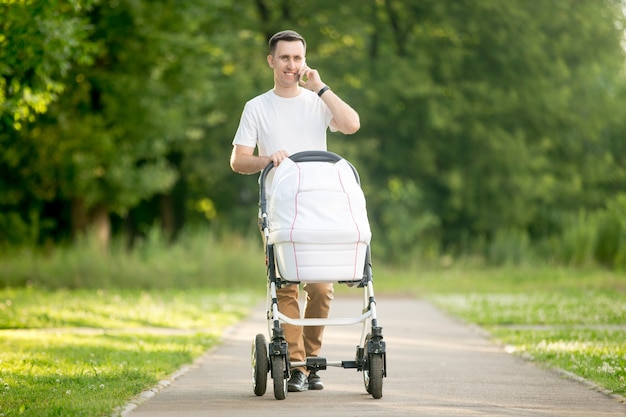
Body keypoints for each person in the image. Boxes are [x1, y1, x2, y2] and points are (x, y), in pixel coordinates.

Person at [230, 29, 360, 392]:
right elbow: (238, 160)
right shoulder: (256, 107)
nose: (291, 65)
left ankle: (312, 360)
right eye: (284, 58)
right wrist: (266, 159)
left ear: (305, 62)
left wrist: (321, 87)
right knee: (286, 286)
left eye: (297, 58)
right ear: (271, 61)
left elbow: (351, 125)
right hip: (280, 209)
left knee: (321, 287)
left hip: (319, 207)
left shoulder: (317, 101)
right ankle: (299, 367)